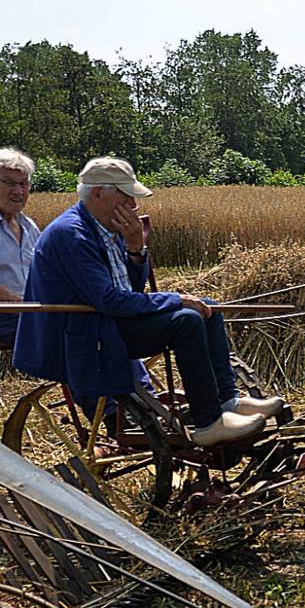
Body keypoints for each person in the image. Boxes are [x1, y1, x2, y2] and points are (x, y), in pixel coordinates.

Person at [13, 157, 285, 446]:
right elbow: (110, 300)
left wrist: (134, 248)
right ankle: (208, 423)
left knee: (207, 308)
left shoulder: (107, 228)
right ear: (97, 194)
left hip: (108, 322)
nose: (133, 204)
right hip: (86, 333)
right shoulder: (71, 234)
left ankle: (227, 401)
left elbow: (127, 288)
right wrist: (175, 299)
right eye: (126, 195)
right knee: (187, 321)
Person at [0, 148, 39, 350]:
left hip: (32, 312)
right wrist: (23, 302)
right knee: (66, 331)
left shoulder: (29, 226)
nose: (18, 191)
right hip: (5, 316)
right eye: (9, 183)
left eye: (23, 184)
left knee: (88, 325)